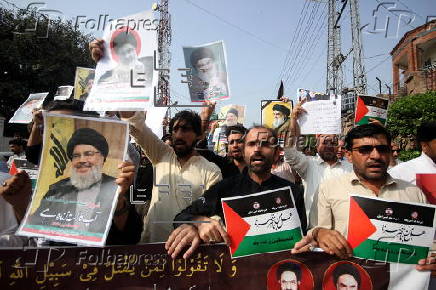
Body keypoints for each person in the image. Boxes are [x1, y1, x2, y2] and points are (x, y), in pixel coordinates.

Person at [292, 124, 435, 274]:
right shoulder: (329, 189)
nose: (375, 156)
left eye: (382, 149)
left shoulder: (413, 193)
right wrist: (319, 233)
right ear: (349, 155)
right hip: (350, 279)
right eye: (365, 150)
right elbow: (316, 230)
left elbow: (428, 242)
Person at [165, 126, 306, 259]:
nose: (257, 149)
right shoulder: (225, 189)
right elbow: (180, 217)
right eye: (251, 144)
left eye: (265, 144)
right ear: (244, 153)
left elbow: (303, 239)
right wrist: (198, 223)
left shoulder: (293, 192)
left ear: (276, 154)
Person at [120, 110, 222, 243]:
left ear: (199, 135)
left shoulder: (211, 171)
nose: (179, 135)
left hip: (187, 251)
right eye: (175, 130)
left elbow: (213, 215)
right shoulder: (161, 154)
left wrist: (200, 227)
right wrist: (123, 100)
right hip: (150, 247)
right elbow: (137, 126)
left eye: (186, 129)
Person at [28, 128, 125, 234]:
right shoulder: (57, 189)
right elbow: (36, 225)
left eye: (89, 154)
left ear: (103, 158)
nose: (82, 160)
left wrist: (119, 203)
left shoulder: (118, 186)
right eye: (76, 156)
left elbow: (132, 236)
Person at [284, 101, 352, 228]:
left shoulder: (350, 168)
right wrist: (293, 120)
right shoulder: (309, 165)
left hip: (343, 233)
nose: (329, 146)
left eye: (333, 142)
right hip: (314, 232)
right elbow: (289, 152)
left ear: (338, 145)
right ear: (316, 144)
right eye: (325, 142)